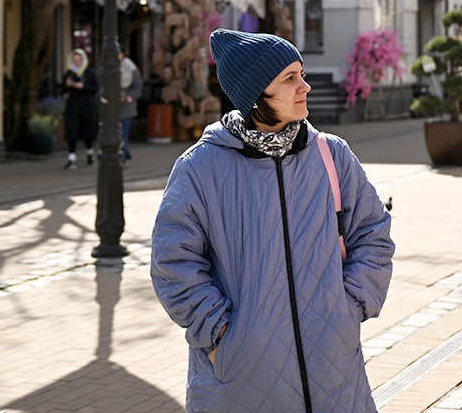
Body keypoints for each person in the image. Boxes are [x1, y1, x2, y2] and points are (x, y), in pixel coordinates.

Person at [150, 29, 394, 413]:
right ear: (255, 93)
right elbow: (173, 262)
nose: (305, 87)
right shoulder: (199, 169)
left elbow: (373, 234)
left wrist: (350, 307)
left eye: (302, 74)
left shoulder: (332, 155)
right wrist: (221, 336)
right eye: (290, 78)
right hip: (241, 379)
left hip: (334, 373)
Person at [62, 48, 99, 170]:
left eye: (79, 60)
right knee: (72, 130)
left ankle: (90, 153)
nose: (77, 62)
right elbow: (62, 89)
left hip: (86, 105)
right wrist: (67, 85)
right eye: (75, 60)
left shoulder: (89, 73)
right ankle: (71, 158)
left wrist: (83, 86)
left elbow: (95, 88)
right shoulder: (70, 73)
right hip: (73, 105)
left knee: (86, 130)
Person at [119, 51, 143, 162]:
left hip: (126, 106)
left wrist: (130, 96)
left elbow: (138, 86)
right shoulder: (110, 66)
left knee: (124, 131)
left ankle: (122, 156)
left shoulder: (130, 68)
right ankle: (124, 152)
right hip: (113, 106)